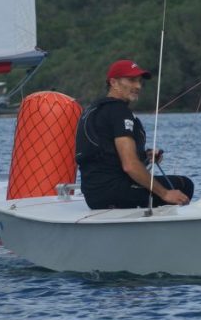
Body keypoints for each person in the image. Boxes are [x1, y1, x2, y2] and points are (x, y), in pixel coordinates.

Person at [75, 59, 194, 209]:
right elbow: (129, 166)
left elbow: (107, 156)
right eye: (131, 80)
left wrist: (144, 156)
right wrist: (164, 193)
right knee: (183, 185)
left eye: (139, 81)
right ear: (114, 82)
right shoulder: (119, 111)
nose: (138, 86)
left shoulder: (94, 109)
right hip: (115, 191)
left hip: (93, 194)